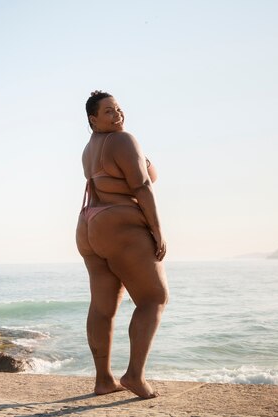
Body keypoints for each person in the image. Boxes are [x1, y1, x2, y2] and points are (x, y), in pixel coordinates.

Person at [75, 90, 169, 399]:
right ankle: (134, 376)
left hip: (89, 224)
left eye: (118, 109)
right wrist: (157, 230)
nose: (117, 115)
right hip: (119, 224)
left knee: (103, 307)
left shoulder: (90, 148)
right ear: (93, 119)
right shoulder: (123, 140)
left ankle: (103, 380)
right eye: (108, 112)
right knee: (154, 297)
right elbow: (142, 186)